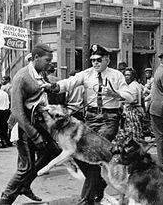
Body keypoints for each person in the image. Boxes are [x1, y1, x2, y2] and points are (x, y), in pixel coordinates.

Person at [45, 44, 134, 205]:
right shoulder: (87, 74)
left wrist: (114, 94)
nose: (95, 63)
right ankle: (98, 187)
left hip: (109, 118)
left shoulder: (117, 75)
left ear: (108, 59)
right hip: (91, 117)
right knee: (80, 156)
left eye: (99, 60)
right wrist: (54, 86)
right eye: (92, 60)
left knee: (96, 153)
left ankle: (86, 198)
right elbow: (70, 82)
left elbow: (130, 97)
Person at [0, 43, 61, 205]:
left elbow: (42, 95)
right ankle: (4, 200)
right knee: (25, 167)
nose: (50, 64)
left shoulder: (42, 74)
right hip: (24, 128)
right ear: (36, 58)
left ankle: (25, 185)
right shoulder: (22, 77)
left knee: (52, 151)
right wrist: (34, 134)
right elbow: (17, 111)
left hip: (40, 125)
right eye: (47, 60)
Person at [122, 67, 146, 144]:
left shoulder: (132, 86)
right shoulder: (137, 85)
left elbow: (134, 100)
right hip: (138, 110)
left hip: (133, 111)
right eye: (125, 75)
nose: (127, 77)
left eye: (129, 75)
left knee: (133, 133)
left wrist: (122, 100)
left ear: (133, 76)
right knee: (137, 132)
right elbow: (142, 99)